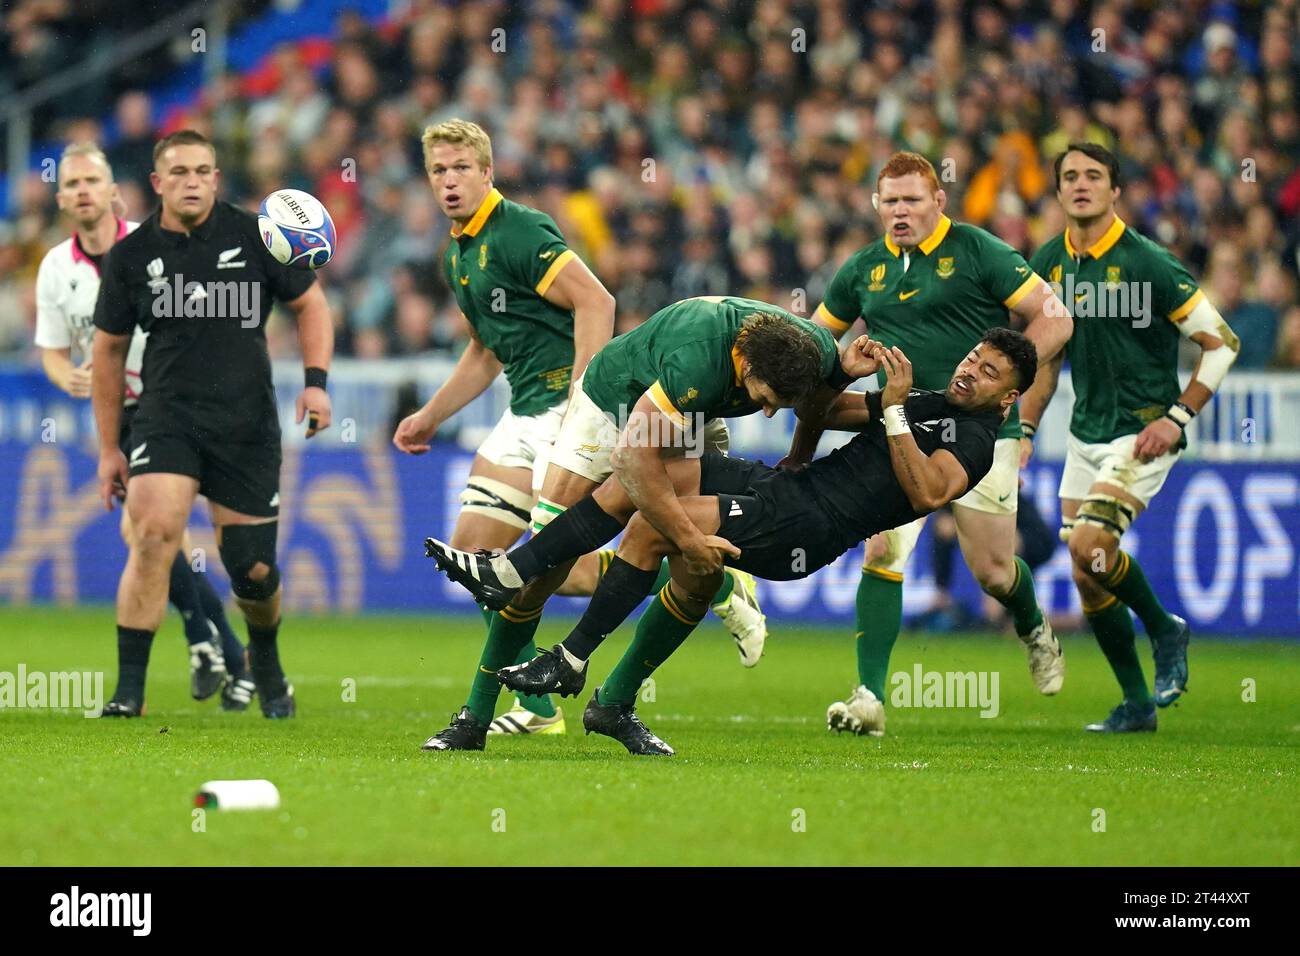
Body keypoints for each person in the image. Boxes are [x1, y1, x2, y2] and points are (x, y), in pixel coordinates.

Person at [496, 328, 1038, 755]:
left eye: (989, 372)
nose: (970, 371)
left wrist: (893, 409)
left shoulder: (977, 440)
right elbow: (820, 412)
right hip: (787, 486)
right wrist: (845, 377)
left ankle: (574, 658)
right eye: (972, 358)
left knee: (652, 525)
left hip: (808, 526)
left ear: (1009, 397)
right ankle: (524, 587)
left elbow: (925, 493)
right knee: (640, 479)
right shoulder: (928, 401)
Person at [424, 295, 853, 750]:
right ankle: (474, 718)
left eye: (777, 406)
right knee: (546, 570)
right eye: (763, 399)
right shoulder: (699, 357)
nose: (767, 412)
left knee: (695, 570)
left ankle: (614, 705)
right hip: (612, 403)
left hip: (690, 415)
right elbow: (633, 455)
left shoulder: (817, 350)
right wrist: (689, 536)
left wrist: (856, 391)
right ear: (745, 365)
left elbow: (821, 405)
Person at [801, 151, 1073, 737]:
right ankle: (870, 696)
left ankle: (1032, 626)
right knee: (883, 551)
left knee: (995, 572)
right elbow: (816, 341)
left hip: (980, 433)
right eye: (889, 201)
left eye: (911, 200)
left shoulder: (978, 251)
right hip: (901, 428)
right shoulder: (862, 270)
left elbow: (1056, 319)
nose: (899, 212)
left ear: (938, 202)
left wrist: (1014, 386)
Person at [91, 129, 334, 718]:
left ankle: (266, 659)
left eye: (202, 171)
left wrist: (316, 382)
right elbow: (107, 352)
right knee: (152, 533)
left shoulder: (257, 236)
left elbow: (311, 304)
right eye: (179, 173)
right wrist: (108, 449)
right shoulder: (130, 258)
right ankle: (129, 692)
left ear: (217, 178)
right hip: (166, 419)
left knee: (252, 571)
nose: (192, 181)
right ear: (157, 183)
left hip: (246, 427)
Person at [391, 118, 618, 738]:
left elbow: (596, 302)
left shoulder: (516, 229)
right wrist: (430, 415)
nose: (450, 180)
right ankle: (539, 709)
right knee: (477, 561)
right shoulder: (458, 252)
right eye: (439, 170)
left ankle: (697, 570)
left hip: (560, 411)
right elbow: (484, 353)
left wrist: (584, 395)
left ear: (487, 172)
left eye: (462, 167)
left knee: (559, 570)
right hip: (521, 412)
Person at [1021, 143, 1240, 733]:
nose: (1081, 184)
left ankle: (1166, 628)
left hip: (1142, 431)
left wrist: (1176, 418)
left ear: (1116, 191)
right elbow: (1045, 362)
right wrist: (1025, 427)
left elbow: (1222, 343)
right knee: (1088, 573)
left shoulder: (1149, 262)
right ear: (1059, 191)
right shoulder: (1049, 264)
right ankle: (1137, 703)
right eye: (1070, 176)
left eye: (1094, 176)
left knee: (1088, 543)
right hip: (1083, 435)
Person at [36, 143, 253, 710]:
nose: (83, 190)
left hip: (168, 406)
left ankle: (212, 646)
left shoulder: (155, 246)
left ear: (115, 191)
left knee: (149, 536)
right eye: (73, 183)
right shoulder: (56, 268)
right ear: (61, 198)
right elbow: (54, 350)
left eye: (94, 180)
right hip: (116, 410)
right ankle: (221, 646)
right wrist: (70, 379)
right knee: (151, 536)